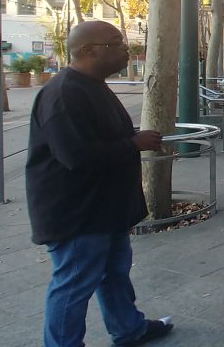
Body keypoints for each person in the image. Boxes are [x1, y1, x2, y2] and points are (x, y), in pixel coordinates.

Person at [25, 21, 173, 347]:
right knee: (74, 285)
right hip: (78, 215)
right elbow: (76, 156)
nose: (126, 50)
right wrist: (134, 143)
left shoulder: (92, 85)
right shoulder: (64, 93)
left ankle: (128, 328)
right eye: (115, 44)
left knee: (114, 274)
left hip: (106, 210)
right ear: (87, 51)